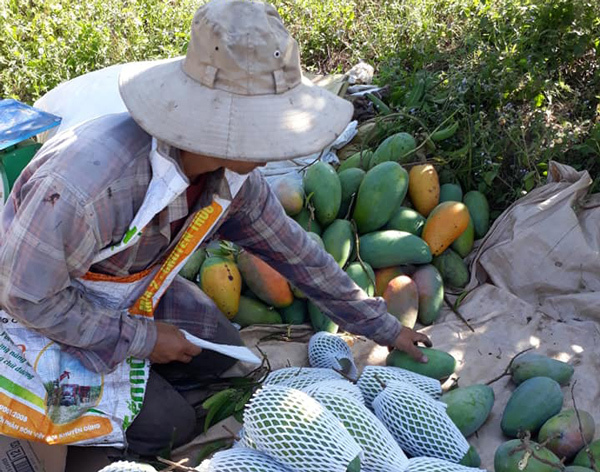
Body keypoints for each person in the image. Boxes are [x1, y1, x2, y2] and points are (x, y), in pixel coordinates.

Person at [0, 0, 431, 460]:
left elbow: (296, 253)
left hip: (133, 291)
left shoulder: (233, 180)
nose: (276, 145)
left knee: (223, 354)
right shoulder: (86, 190)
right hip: (35, 314)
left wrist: (384, 326)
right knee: (170, 428)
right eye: (267, 129)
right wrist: (142, 341)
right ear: (227, 130)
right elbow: (27, 298)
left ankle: (136, 376)